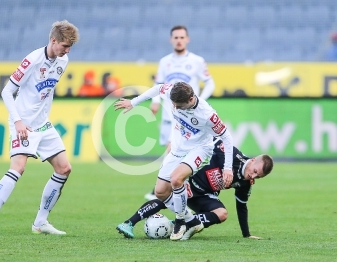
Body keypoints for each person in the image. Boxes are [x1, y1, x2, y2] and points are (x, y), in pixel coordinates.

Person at [0, 20, 79, 237]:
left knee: (64, 169)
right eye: (64, 45)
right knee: (18, 168)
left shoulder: (64, 60)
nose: (67, 50)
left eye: (70, 47)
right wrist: (17, 121)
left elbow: (46, 90)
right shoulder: (32, 60)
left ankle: (40, 222)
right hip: (22, 123)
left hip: (43, 124)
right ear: (53, 40)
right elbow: (7, 92)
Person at [114, 82, 233, 241]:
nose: (175, 109)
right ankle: (190, 220)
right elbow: (157, 88)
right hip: (178, 149)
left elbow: (226, 136)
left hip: (200, 148)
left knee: (176, 179)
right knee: (161, 192)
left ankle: (180, 221)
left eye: (180, 106)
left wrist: (228, 168)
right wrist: (133, 102)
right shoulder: (172, 90)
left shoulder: (207, 114)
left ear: (191, 99)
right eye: (173, 105)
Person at [116, 138, 274, 240]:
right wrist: (185, 175)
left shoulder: (246, 183)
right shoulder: (230, 153)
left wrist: (246, 234)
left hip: (205, 195)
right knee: (164, 195)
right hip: (190, 181)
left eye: (257, 177)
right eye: (255, 171)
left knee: (222, 213)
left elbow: (242, 206)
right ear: (253, 160)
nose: (253, 176)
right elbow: (204, 144)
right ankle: (129, 223)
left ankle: (185, 223)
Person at [145, 25, 216, 201]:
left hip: (189, 116)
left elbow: (210, 83)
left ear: (187, 39)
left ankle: (162, 188)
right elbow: (158, 85)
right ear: (171, 40)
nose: (179, 40)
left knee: (174, 149)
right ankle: (172, 185)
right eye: (175, 37)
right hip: (170, 113)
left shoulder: (197, 61)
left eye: (182, 37)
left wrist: (199, 100)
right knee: (171, 150)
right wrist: (155, 102)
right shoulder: (164, 62)